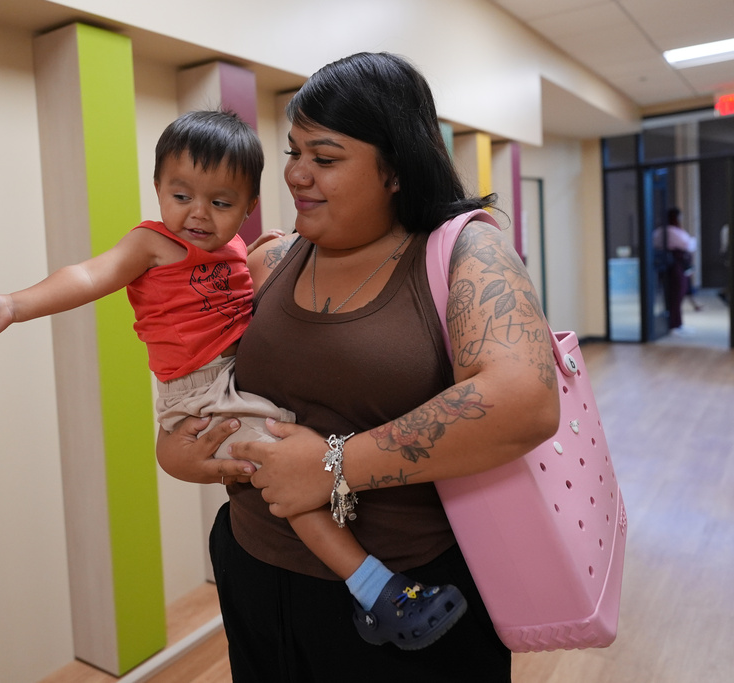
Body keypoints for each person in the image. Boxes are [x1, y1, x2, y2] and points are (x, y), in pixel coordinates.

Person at [0, 109, 463, 652]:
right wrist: (14, 305)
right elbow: (87, 275)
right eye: (181, 195)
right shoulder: (152, 245)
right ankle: (377, 590)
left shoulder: (240, 248)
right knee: (286, 475)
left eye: (220, 203)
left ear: (247, 206)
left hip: (236, 377)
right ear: (157, 189)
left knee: (301, 453)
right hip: (202, 389)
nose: (197, 215)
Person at [157, 53, 560, 681]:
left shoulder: (463, 251)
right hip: (253, 572)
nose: (296, 175)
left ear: (394, 168)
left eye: (325, 157)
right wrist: (185, 452)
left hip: (408, 600)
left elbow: (523, 400)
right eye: (292, 152)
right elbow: (204, 385)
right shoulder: (268, 260)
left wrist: (332, 466)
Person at [653, 207, 698, 335]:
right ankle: (674, 324)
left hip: (666, 266)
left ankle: (676, 323)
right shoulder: (673, 231)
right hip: (675, 266)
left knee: (672, 295)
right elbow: (688, 245)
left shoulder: (659, 231)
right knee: (677, 294)